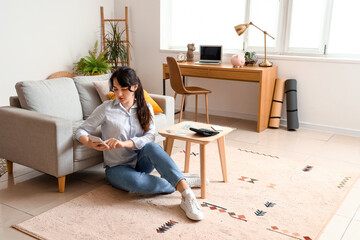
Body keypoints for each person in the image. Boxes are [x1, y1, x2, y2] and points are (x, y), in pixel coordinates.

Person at [75, 66, 203, 221]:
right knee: (136, 183)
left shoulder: (146, 107)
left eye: (123, 89)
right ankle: (178, 179)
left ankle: (187, 195)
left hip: (142, 161)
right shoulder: (106, 108)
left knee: (152, 147)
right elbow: (81, 130)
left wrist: (125, 144)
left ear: (134, 87)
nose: (119, 94)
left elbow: (149, 137)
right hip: (117, 167)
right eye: (115, 89)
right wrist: (89, 142)